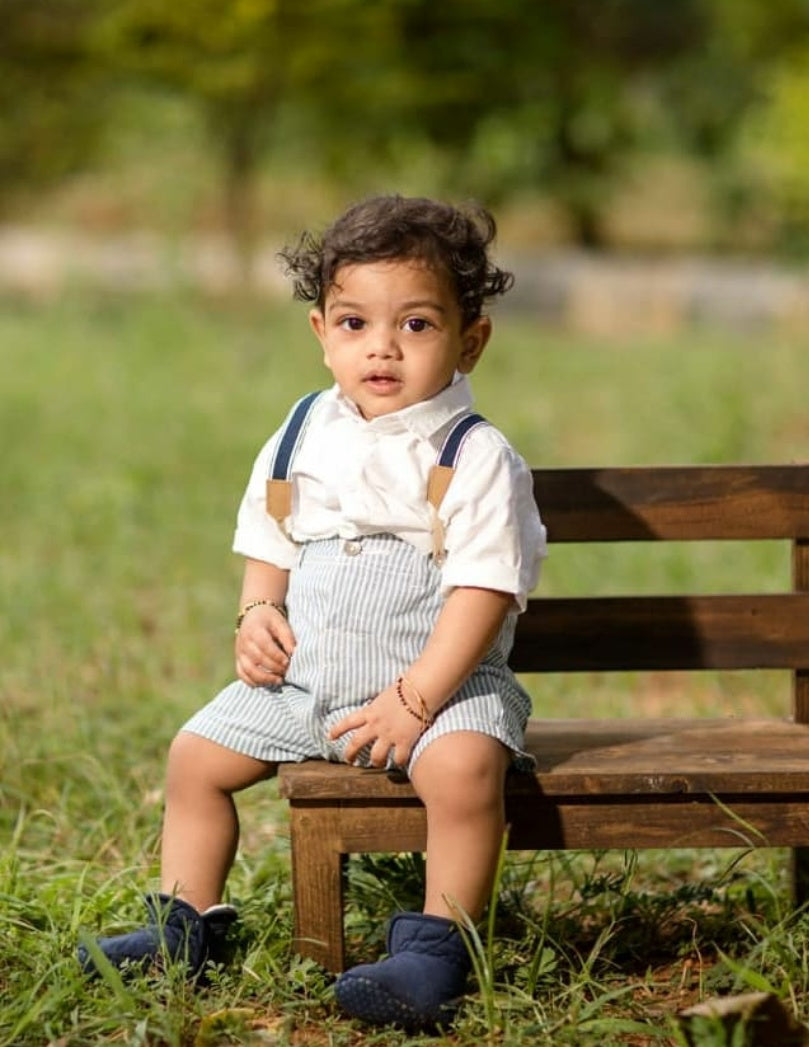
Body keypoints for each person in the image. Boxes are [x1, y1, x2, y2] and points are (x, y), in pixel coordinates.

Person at [78, 194, 547, 1032]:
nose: (381, 347)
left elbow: (484, 587)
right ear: (321, 332)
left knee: (464, 773)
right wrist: (256, 611)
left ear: (470, 338)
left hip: (443, 686)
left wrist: (418, 697)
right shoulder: (302, 430)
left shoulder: (474, 455)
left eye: (415, 325)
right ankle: (183, 921)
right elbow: (272, 535)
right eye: (355, 322)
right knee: (194, 759)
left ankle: (438, 944)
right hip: (308, 685)